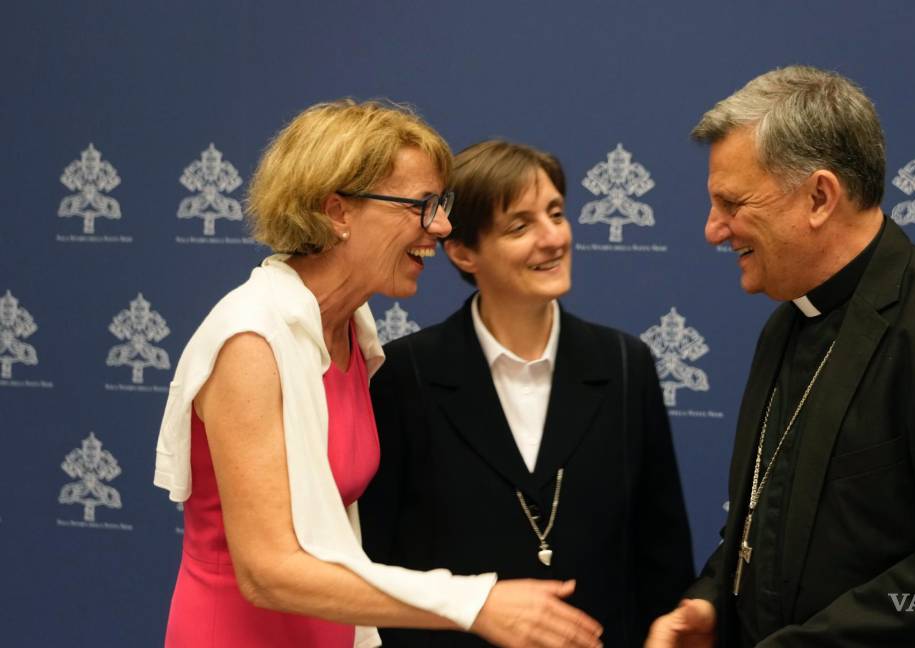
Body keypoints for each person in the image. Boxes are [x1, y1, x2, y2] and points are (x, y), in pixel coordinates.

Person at [645, 66, 915, 647]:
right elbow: (769, 512)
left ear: (819, 196)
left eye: (732, 203)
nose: (713, 230)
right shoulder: (785, 325)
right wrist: (711, 601)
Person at [154, 101, 603, 648]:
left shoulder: (348, 332)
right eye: (422, 205)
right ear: (338, 212)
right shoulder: (251, 341)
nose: (441, 226)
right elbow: (268, 570)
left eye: (442, 204)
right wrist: (470, 602)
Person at [358, 139, 696, 646]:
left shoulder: (625, 364)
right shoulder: (405, 373)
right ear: (463, 251)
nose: (552, 238)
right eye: (520, 225)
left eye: (556, 214)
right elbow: (379, 564)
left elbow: (661, 551)